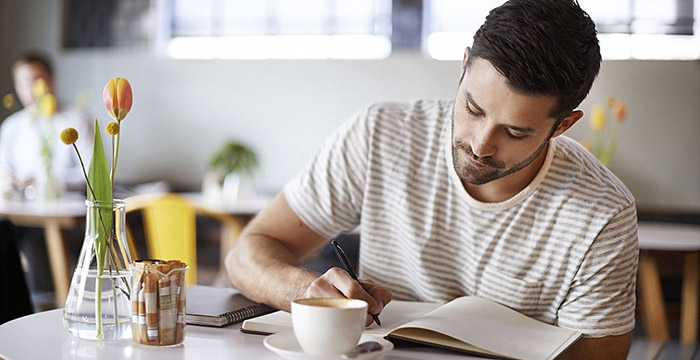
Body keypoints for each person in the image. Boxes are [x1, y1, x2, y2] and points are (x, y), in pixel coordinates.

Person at [226, 0, 637, 358]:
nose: (480, 145)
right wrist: (306, 292)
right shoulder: (380, 135)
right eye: (473, 108)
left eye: (514, 132)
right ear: (463, 66)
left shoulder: (602, 213)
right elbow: (246, 256)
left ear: (563, 125)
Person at [0, 51, 91, 199]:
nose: (30, 88)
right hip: (19, 210)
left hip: (66, 208)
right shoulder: (11, 126)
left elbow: (92, 173)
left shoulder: (76, 119)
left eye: (36, 80)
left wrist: (42, 180)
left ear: (51, 80)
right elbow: (3, 172)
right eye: (23, 83)